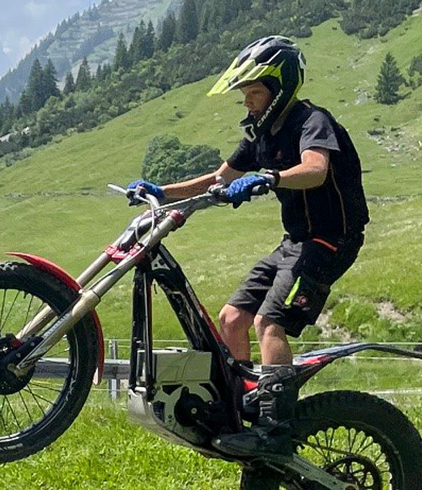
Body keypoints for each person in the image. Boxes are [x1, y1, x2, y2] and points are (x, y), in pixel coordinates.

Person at [125, 34, 369, 457]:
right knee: (233, 317)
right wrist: (162, 192)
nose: (248, 103)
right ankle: (243, 410)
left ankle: (276, 428)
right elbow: (217, 180)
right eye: (245, 95)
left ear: (280, 88)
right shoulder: (262, 134)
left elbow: (315, 169)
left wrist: (270, 178)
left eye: (254, 93)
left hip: (331, 242)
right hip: (295, 242)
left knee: (268, 323)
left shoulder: (312, 120)